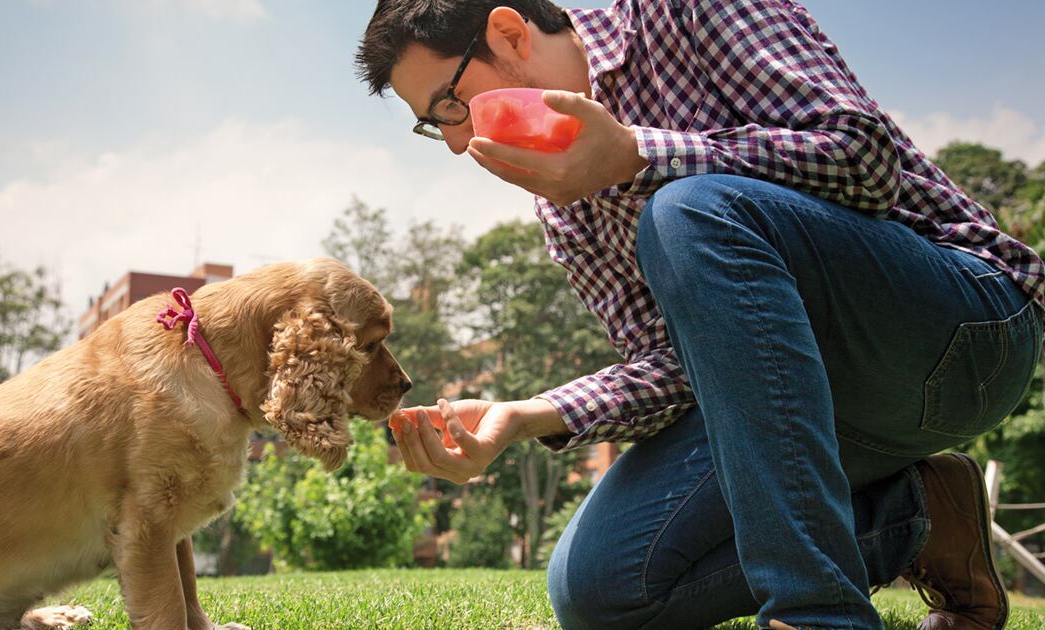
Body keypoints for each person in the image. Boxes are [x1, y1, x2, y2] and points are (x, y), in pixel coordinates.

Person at [355, 1, 1045, 628]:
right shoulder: (560, 205)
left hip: (962, 330)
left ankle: (814, 614)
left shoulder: (684, 13)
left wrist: (638, 155)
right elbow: (673, 365)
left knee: (686, 210)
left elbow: (864, 158)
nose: (456, 142)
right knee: (599, 589)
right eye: (434, 124)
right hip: (808, 410)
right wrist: (528, 415)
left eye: (452, 104)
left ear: (509, 33)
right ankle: (923, 518)